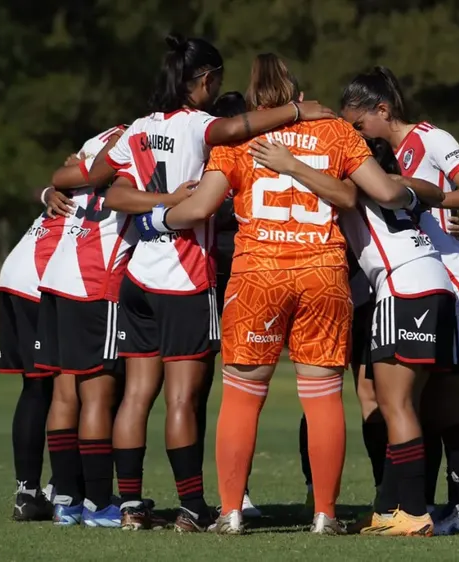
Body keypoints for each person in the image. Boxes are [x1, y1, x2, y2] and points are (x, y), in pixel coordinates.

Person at [159, 53, 435, 535]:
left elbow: (201, 206)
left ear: (254, 99)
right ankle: (325, 513)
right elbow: (362, 195)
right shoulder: (335, 132)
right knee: (324, 398)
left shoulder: (240, 137)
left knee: (243, 399)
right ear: (298, 96)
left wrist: (159, 216)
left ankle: (230, 512)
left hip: (256, 278)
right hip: (322, 274)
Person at [87, 36, 334, 532]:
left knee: (136, 396)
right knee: (182, 399)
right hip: (183, 275)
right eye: (216, 81)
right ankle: (191, 507)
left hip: (137, 276)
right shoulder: (202, 127)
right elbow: (245, 124)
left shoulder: (136, 127)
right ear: (203, 81)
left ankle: (131, 506)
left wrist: (154, 200)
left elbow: (100, 180)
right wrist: (298, 111)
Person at [340, 66, 459, 535]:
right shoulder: (382, 155)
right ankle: (449, 510)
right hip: (440, 286)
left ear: (382, 110)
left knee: (433, 407)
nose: (354, 136)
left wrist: (434, 204)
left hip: (452, 288)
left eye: (357, 125)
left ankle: (430, 510)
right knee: (434, 408)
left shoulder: (430, 138)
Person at [36, 124, 171, 528]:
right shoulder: (141, 141)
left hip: (58, 273)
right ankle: (97, 503)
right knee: (97, 393)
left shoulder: (103, 138)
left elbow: (65, 172)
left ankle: (66, 500)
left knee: (64, 391)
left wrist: (50, 187)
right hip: (97, 280)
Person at [0, 179, 77, 521]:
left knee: (36, 387)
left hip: (16, 273)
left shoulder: (95, 154)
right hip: (39, 280)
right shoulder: (119, 151)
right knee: (71, 384)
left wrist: (45, 193)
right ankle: (65, 490)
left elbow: (46, 183)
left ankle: (28, 494)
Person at [210, 90, 262, 518]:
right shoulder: (219, 158)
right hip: (221, 282)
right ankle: (231, 496)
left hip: (246, 282)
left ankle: (235, 496)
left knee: (240, 394)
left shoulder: (249, 159)